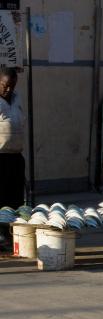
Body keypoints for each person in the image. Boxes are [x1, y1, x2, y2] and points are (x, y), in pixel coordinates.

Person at [0, 67, 24, 251]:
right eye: (5, 86)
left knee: (15, 199)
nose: (8, 90)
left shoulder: (17, 100)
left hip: (16, 156)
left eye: (12, 86)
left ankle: (10, 233)